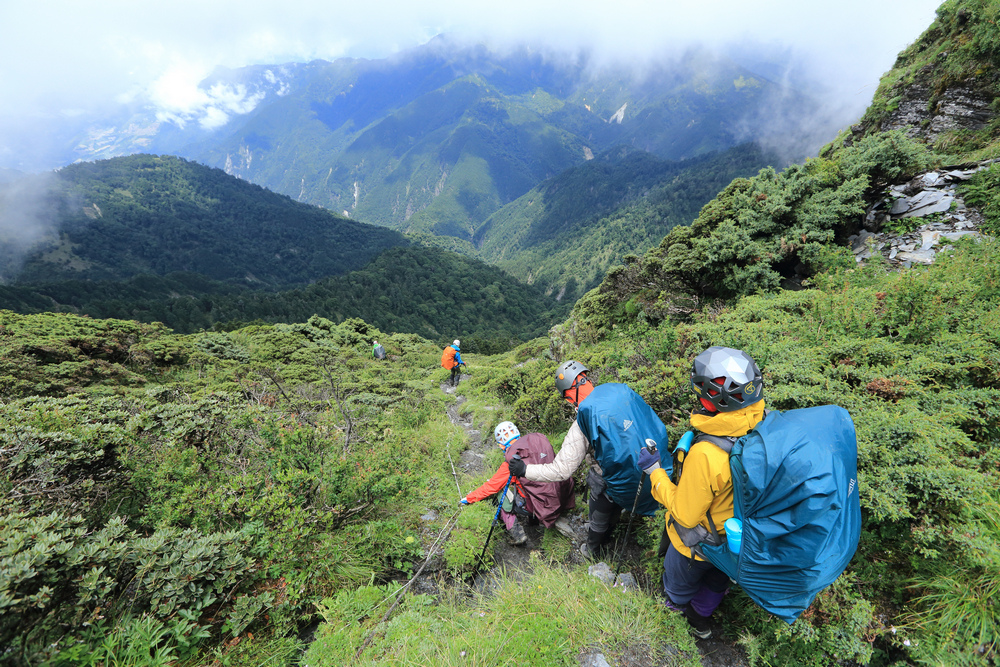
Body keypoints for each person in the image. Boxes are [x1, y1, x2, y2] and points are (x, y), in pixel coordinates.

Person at [637, 346, 766, 639]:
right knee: (717, 583)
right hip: (737, 543)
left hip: (696, 547)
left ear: (710, 398)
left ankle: (671, 622)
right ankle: (700, 622)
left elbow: (684, 513)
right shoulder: (764, 424)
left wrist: (654, 472)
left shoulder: (707, 454)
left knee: (678, 585)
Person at [507, 360, 667, 560]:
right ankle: (614, 526)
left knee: (599, 499)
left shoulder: (583, 420)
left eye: (566, 398)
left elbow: (562, 470)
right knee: (614, 490)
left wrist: (524, 470)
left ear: (568, 394)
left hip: (620, 482)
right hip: (654, 471)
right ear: (586, 379)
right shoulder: (619, 391)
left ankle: (592, 549)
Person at [460, 421, 576, 545]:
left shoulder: (510, 464)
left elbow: (491, 487)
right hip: (560, 496)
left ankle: (517, 533)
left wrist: (468, 499)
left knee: (500, 493)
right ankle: (533, 522)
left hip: (537, 504)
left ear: (500, 445)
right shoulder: (538, 444)